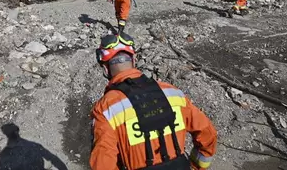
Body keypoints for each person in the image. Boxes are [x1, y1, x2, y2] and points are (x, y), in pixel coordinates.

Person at [90, 34, 217, 170]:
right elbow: (207, 134)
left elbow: (103, 163)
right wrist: (196, 166)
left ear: (105, 68)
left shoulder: (106, 109)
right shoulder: (172, 92)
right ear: (134, 60)